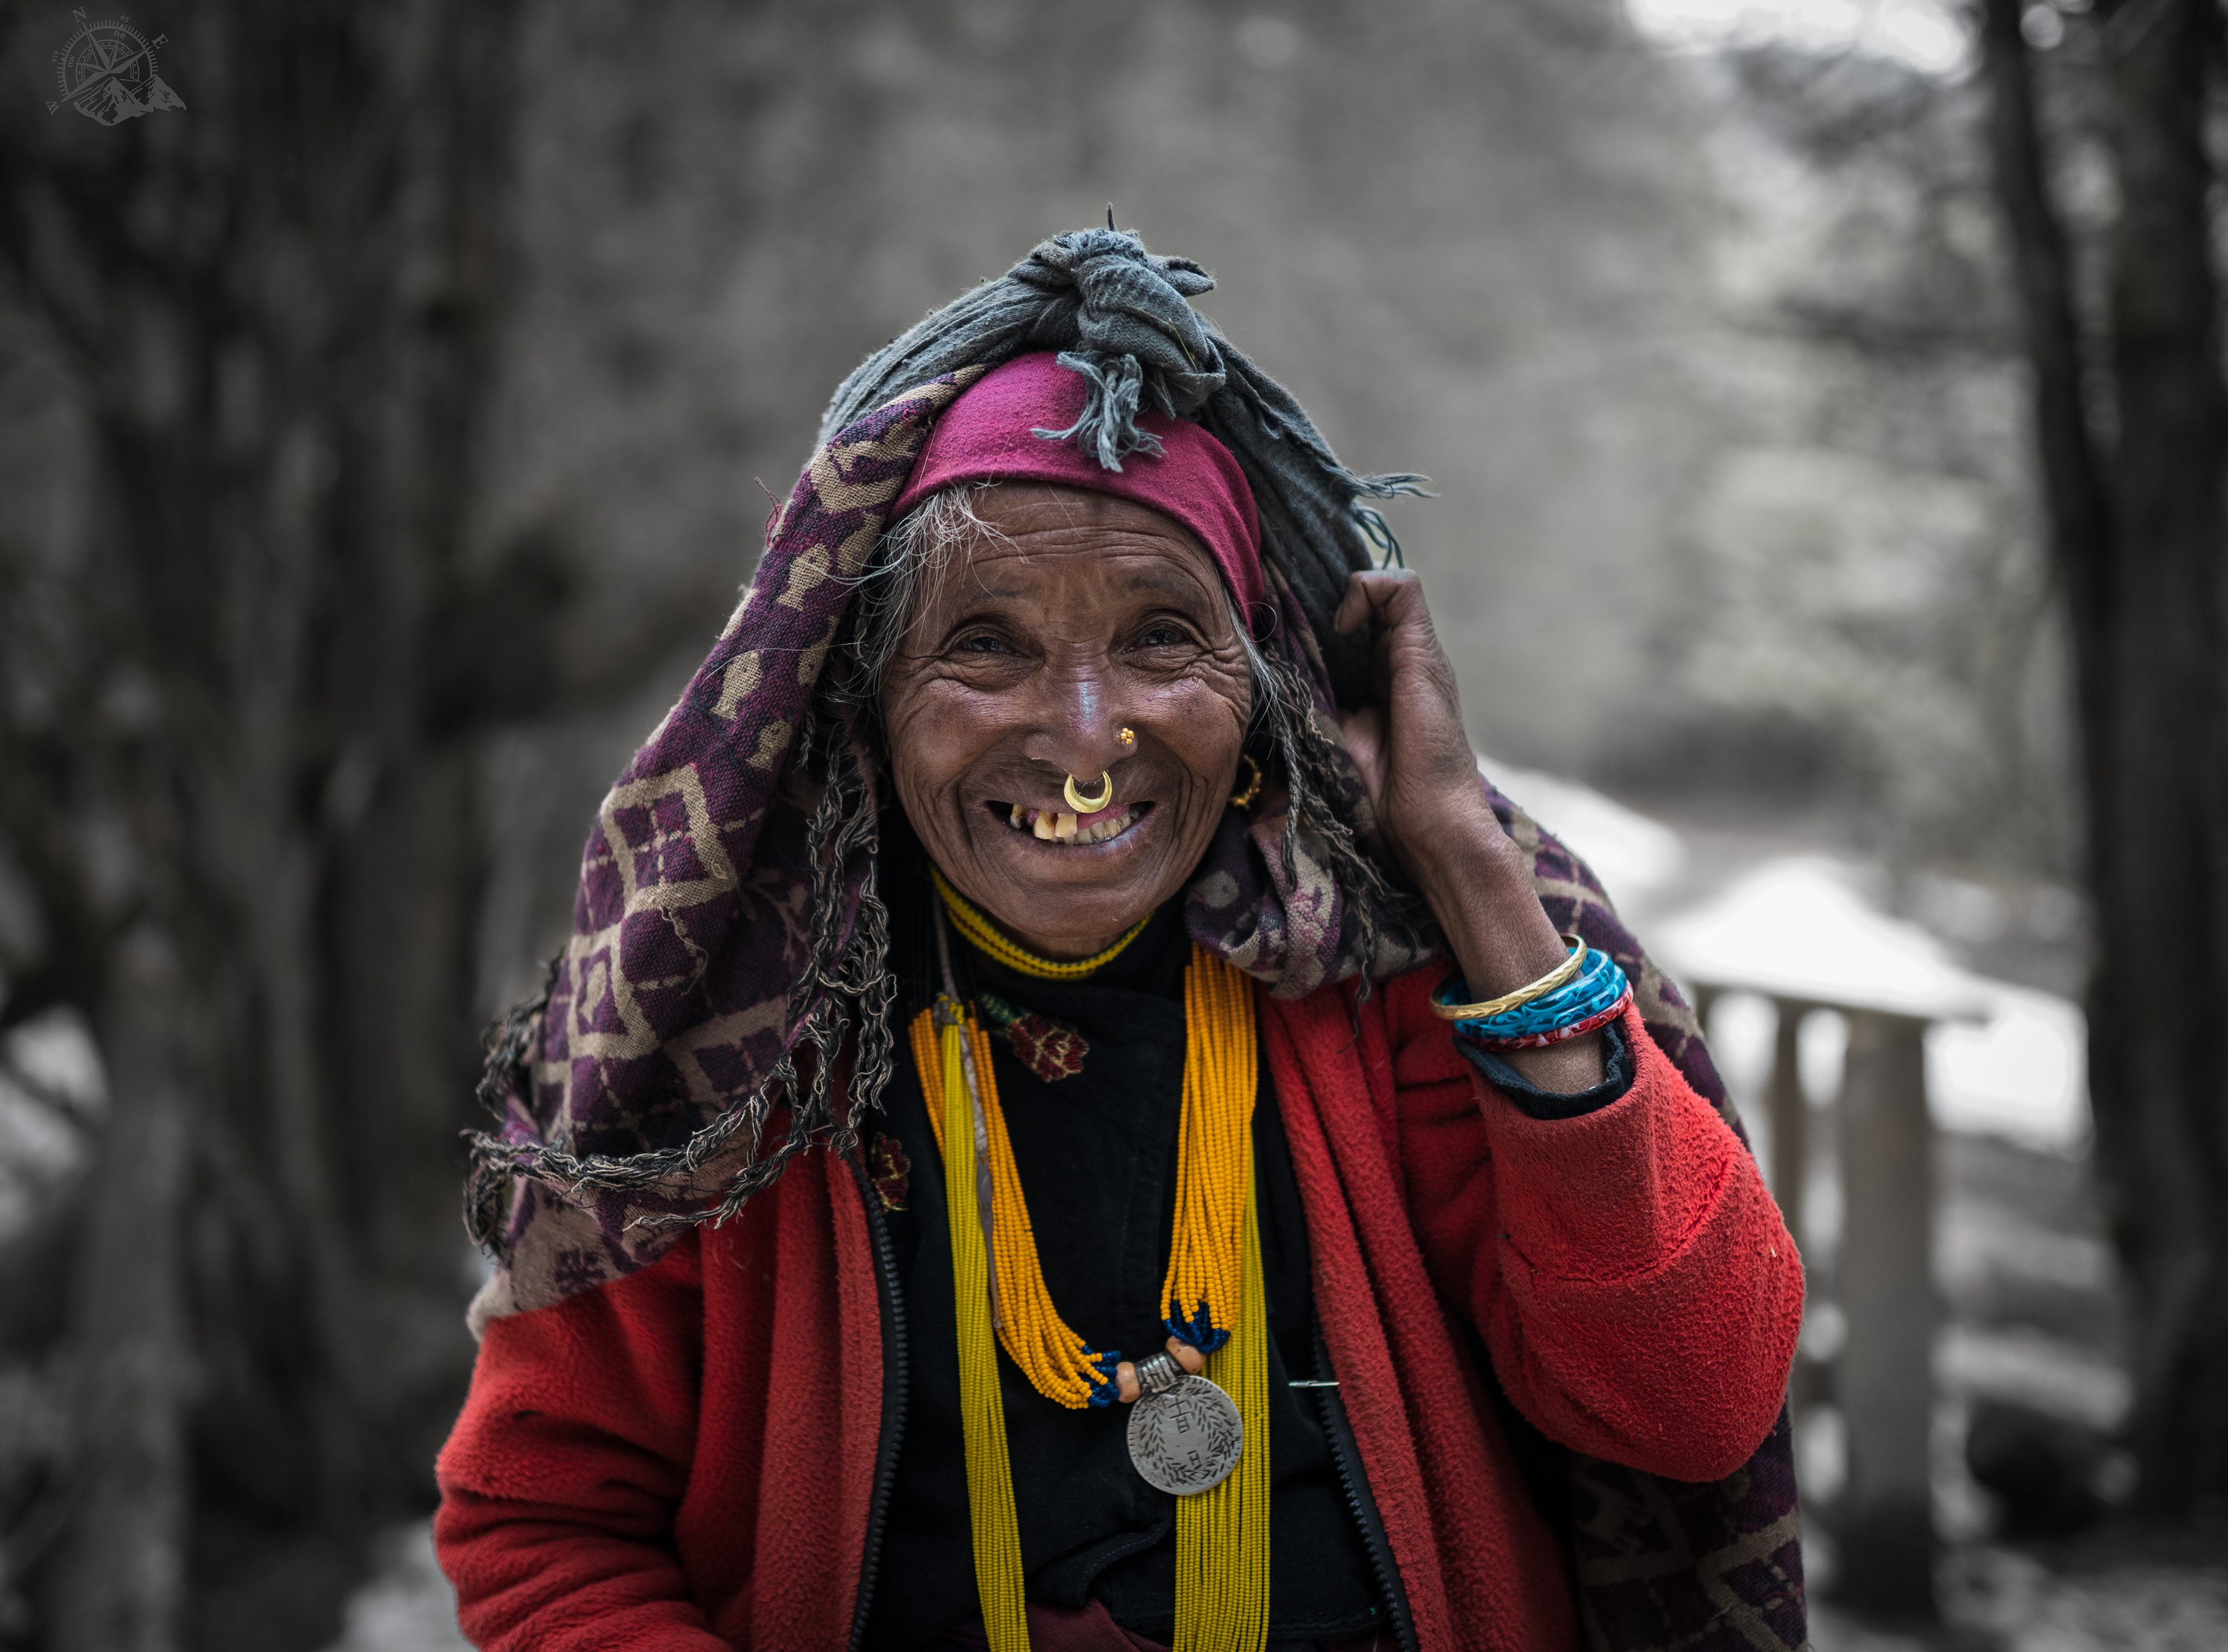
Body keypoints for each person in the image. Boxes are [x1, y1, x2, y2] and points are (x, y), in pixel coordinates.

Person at [436, 229, 1806, 1652]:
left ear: (1263, 685)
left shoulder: (1386, 989)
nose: (1088, 742)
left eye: (1163, 640)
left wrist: (1466, 856)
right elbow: (543, 1518)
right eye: (987, 645)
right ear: (867, 694)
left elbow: (1690, 1404)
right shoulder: (729, 1049)